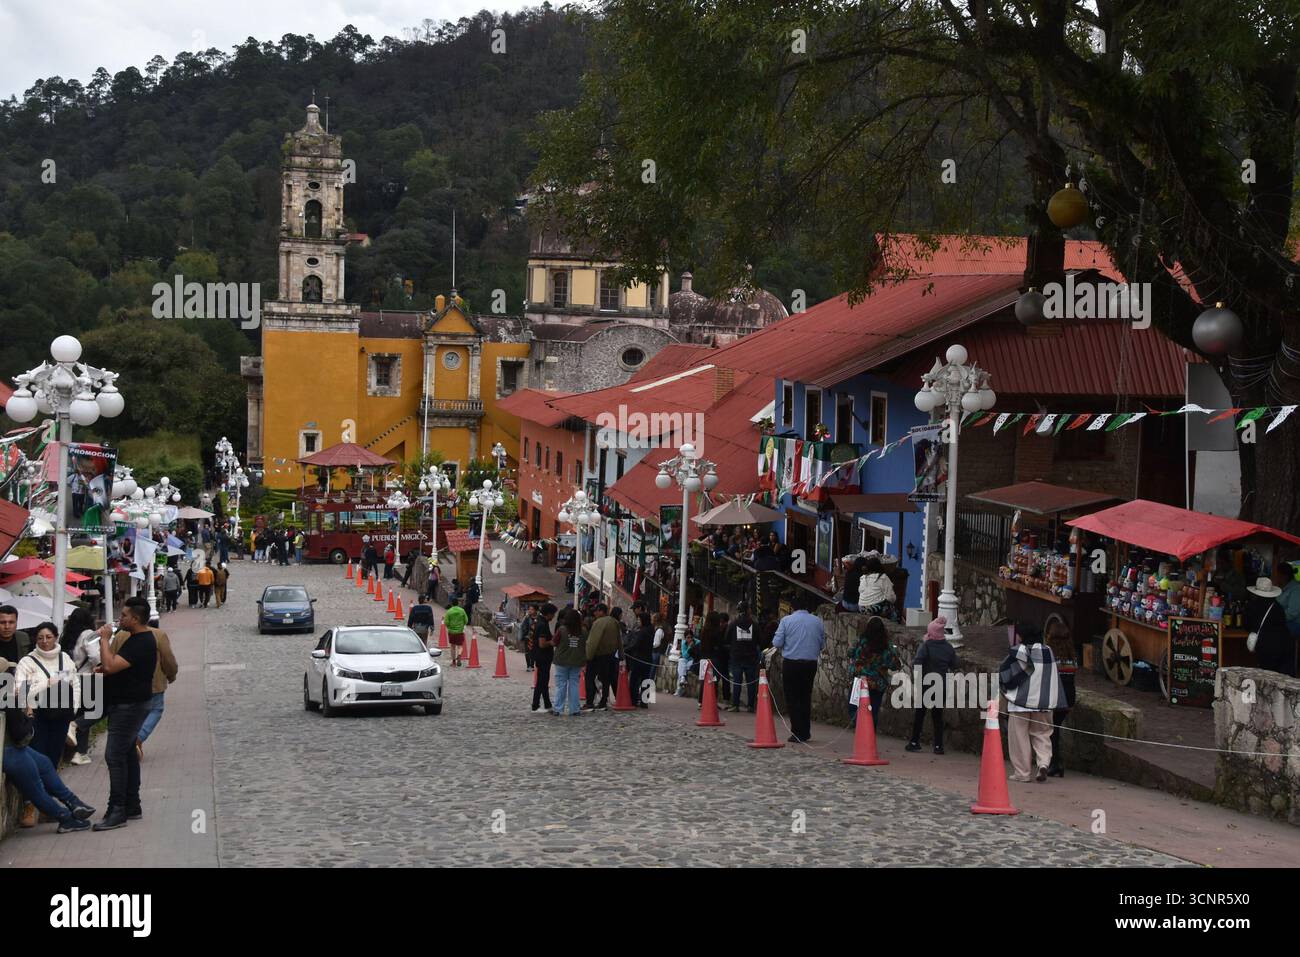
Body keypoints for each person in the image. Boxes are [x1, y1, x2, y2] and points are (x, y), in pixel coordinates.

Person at [93, 596, 158, 830]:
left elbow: (111, 665)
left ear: (135, 619)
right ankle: (132, 804)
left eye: (124, 615)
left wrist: (104, 639)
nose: (120, 618)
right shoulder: (136, 639)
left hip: (129, 707)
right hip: (130, 703)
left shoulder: (141, 641)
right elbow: (118, 667)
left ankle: (117, 809)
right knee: (128, 753)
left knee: (114, 756)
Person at [2, 692, 95, 833]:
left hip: (12, 747)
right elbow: (20, 733)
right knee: (36, 787)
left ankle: (73, 803)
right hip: (9, 751)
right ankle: (65, 818)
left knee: (44, 763)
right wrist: (30, 716)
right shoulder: (7, 695)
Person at [999, 621, 1066, 783]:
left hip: (1020, 703)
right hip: (1043, 702)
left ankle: (1022, 772)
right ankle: (1043, 763)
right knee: (1042, 734)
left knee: (1019, 737)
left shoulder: (1018, 652)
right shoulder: (1048, 651)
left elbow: (1006, 676)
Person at [114, 619, 179, 762]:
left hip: (127, 684)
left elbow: (111, 658)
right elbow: (168, 658)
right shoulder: (158, 635)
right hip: (153, 682)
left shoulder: (120, 636)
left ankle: (130, 742)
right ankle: (137, 738)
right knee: (156, 709)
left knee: (132, 713)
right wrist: (171, 674)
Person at [771, 603, 826, 743]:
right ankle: (806, 730)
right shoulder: (817, 621)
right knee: (805, 696)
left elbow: (777, 642)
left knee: (792, 697)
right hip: (810, 664)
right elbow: (822, 644)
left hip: (792, 663)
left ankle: (797, 731)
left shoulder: (786, 621)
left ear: (792, 608)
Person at [906, 616, 958, 754]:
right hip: (941, 685)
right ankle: (938, 746)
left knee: (920, 714)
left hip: (926, 684)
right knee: (937, 716)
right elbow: (955, 665)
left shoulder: (926, 646)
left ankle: (914, 741)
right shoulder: (948, 648)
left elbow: (918, 661)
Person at [60, 607, 100, 766]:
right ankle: (79, 750)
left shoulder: (67, 636)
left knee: (79, 714)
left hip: (71, 680)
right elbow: (95, 656)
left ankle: (78, 752)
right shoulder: (88, 634)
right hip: (88, 678)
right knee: (95, 712)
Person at [848, 615, 900, 729]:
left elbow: (850, 652)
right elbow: (895, 665)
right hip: (877, 682)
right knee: (873, 709)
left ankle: (858, 725)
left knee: (855, 706)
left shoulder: (860, 642)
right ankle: (870, 730)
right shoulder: (886, 647)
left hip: (860, 679)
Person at [1044, 619, 1077, 777]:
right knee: (1055, 728)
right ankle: (1056, 762)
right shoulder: (1071, 658)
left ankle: (1054, 762)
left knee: (1051, 731)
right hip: (1068, 697)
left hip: (1055, 696)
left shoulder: (1049, 656)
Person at [1245, 572, 1296, 676]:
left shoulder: (1252, 607)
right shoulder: (1278, 607)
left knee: (1268, 678)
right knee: (1284, 678)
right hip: (1285, 644)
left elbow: (1247, 625)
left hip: (1266, 646)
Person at [723, 603, 760, 712]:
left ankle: (735, 704)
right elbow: (760, 640)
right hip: (751, 656)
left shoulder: (733, 624)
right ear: (748, 610)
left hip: (737, 656)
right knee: (751, 682)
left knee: (737, 681)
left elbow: (726, 639)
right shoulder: (754, 624)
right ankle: (751, 705)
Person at [583, 603, 621, 710]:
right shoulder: (614, 622)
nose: (594, 613)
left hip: (597, 655)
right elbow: (619, 640)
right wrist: (621, 655)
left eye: (596, 611)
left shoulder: (598, 622)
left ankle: (590, 702)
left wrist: (588, 656)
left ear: (601, 611)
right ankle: (603, 700)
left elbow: (593, 641)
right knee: (606, 679)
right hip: (610, 655)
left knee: (590, 678)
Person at [551, 605, 586, 716]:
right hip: (577, 660)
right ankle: (574, 709)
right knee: (574, 684)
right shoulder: (584, 631)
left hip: (561, 660)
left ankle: (558, 708)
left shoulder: (562, 630)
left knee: (561, 685)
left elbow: (554, 642)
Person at [626, 612, 656, 708]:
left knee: (634, 680)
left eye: (639, 619)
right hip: (648, 658)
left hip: (639, 658)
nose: (638, 621)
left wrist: (626, 650)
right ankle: (644, 701)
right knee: (646, 679)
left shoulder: (642, 632)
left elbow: (636, 644)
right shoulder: (651, 630)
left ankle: (633, 700)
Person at [529, 603, 555, 714]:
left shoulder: (539, 622)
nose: (553, 617)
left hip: (540, 656)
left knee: (544, 681)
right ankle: (535, 704)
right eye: (553, 614)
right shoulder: (542, 625)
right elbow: (542, 644)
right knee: (541, 681)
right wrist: (552, 642)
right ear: (548, 614)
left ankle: (547, 703)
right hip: (543, 656)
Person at [696, 611, 725, 706]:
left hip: (704, 658)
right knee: (714, 681)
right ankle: (712, 701)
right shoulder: (716, 632)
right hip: (714, 659)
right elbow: (720, 645)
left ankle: (701, 701)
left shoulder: (704, 630)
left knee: (704, 680)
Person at [0, 604, 32, 672]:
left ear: (16, 623)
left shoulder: (24, 638)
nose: (7, 626)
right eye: (2, 622)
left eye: (11, 622)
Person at [443, 597, 468, 666]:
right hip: (460, 631)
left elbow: (446, 622)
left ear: (452, 603)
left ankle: (453, 661)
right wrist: (461, 625)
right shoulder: (462, 610)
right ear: (458, 603)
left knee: (452, 646)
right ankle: (459, 655)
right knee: (460, 646)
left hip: (451, 632)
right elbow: (466, 620)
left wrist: (449, 627)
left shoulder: (449, 611)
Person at [520, 604, 539, 672]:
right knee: (527, 652)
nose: (530, 611)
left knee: (534, 651)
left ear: (536, 610)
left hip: (536, 638)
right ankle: (528, 666)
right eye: (529, 609)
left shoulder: (539, 618)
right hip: (528, 637)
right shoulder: (527, 618)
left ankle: (532, 665)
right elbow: (522, 627)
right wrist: (523, 635)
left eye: (532, 609)